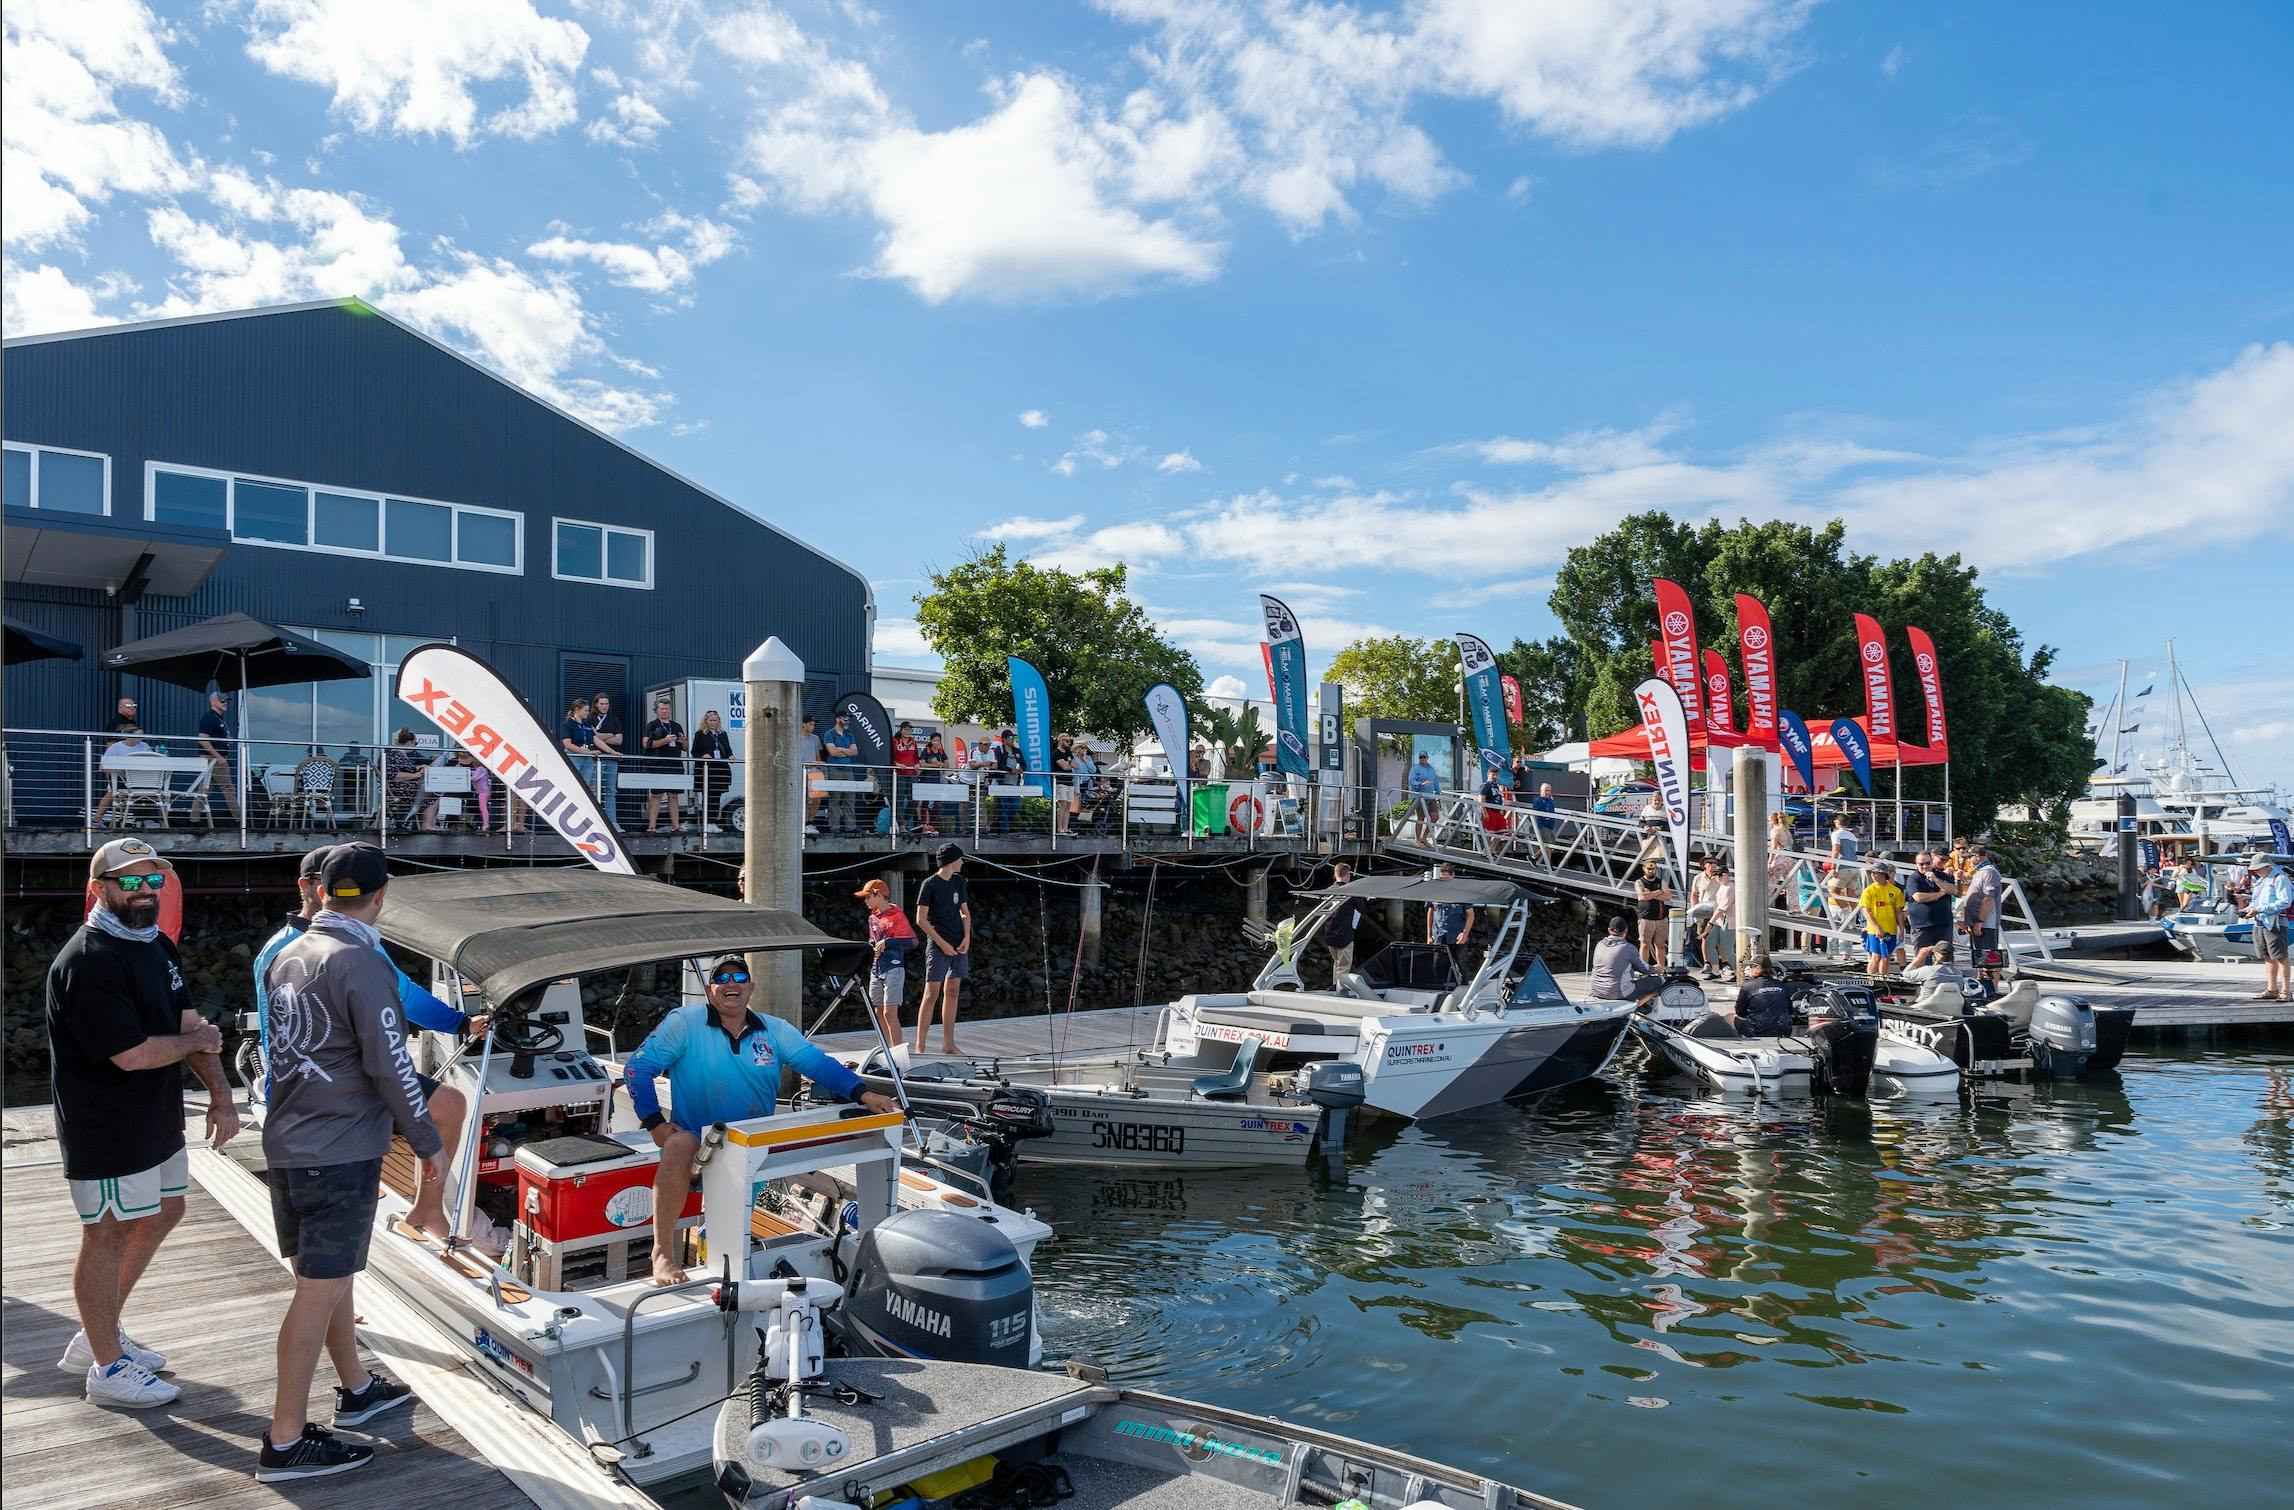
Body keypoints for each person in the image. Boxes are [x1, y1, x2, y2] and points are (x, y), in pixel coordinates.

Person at [257, 843, 436, 1480]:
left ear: (323, 891)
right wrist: (428, 1142)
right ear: (381, 896)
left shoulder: (287, 956)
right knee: (318, 1292)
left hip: (289, 1143)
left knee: (328, 1280)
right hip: (338, 1150)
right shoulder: (361, 961)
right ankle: (285, 1441)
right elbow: (390, 1064)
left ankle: (357, 1391)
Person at [47, 837, 236, 1408]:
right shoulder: (88, 960)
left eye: (154, 880)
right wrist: (194, 1041)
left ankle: (96, 1336)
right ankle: (107, 1370)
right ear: (98, 889)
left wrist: (222, 1097)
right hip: (105, 1125)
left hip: (155, 1116)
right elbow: (131, 1054)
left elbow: (189, 1024)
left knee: (164, 1211)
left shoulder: (157, 945)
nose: (146, 890)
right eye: (131, 881)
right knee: (106, 1232)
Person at [622, 955, 900, 1286]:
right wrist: (655, 1122)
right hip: (696, 1139)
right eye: (722, 978)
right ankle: (662, 1254)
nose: (731, 984)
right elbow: (637, 1068)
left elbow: (819, 1065)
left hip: (749, 1145)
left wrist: (864, 1094)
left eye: (740, 978)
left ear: (751, 987)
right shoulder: (684, 1022)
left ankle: (722, 1265)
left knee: (726, 1234)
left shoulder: (775, 1030)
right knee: (678, 1144)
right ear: (709, 990)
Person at [253, 845, 484, 1239]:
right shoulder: (281, 951)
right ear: (309, 886)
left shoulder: (361, 944)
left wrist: (460, 1023)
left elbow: (404, 993)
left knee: (450, 1104)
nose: (339, 886)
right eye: (325, 877)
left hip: (358, 1075)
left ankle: (427, 1209)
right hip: (320, 1091)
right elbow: (278, 1034)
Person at [913, 843, 971, 1053]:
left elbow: (964, 912)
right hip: (939, 944)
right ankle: (920, 1046)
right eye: (960, 858)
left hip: (959, 942)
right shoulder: (929, 884)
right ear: (951, 861)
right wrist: (943, 944)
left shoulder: (958, 881)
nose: (962, 862)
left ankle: (948, 1044)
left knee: (953, 990)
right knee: (931, 993)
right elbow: (921, 919)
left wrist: (967, 937)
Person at [857, 878, 918, 1044]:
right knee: (879, 1011)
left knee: (889, 1013)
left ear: (878, 895)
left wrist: (888, 943)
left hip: (893, 968)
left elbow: (912, 942)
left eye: (868, 897)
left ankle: (896, 1050)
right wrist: (871, 950)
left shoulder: (897, 915)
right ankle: (885, 1047)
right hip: (876, 969)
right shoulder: (872, 918)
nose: (865, 901)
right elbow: (872, 941)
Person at [2240, 855, 2291, 1002]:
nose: (2256, 871)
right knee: (2267, 957)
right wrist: (2248, 910)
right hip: (2260, 923)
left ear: (2268, 866)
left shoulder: (2280, 878)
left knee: (2280, 956)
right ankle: (2272, 989)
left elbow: (2285, 902)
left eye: (2258, 868)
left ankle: (2286, 991)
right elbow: (2256, 902)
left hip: (2275, 923)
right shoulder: (2261, 879)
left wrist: (2259, 909)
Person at [1588, 916, 1664, 1006]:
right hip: (1620, 992)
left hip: (1597, 990)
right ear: (1626, 931)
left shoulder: (1599, 944)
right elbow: (1644, 969)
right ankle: (1640, 1005)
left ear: (1609, 930)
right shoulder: (1628, 948)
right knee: (1659, 981)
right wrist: (1657, 968)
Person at [640, 698, 688, 833]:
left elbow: (685, 748)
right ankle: (652, 826)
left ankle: (676, 826)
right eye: (662, 709)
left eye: (666, 709)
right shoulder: (652, 725)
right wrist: (664, 741)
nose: (664, 711)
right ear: (657, 710)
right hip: (658, 764)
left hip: (675, 764)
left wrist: (683, 741)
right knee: (657, 795)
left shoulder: (676, 726)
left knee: (673, 795)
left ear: (670, 710)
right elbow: (646, 744)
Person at [194, 687, 241, 824]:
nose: (225, 703)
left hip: (212, 759)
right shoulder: (210, 718)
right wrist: (218, 756)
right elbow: (202, 739)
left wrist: (225, 740)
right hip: (213, 760)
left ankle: (194, 818)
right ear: (213, 702)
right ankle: (241, 820)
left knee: (204, 790)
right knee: (228, 789)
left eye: (226, 701)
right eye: (222, 701)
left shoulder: (217, 719)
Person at [1960, 845, 2005, 989]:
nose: (1968, 860)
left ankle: (1992, 988)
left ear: (1978, 857)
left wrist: (1980, 921)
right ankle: (1984, 987)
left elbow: (1988, 899)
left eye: (1970, 857)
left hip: (1987, 923)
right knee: (1980, 956)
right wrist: (1970, 921)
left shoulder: (1990, 872)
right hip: (1976, 922)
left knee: (1989, 956)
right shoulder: (1979, 872)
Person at [1905, 852, 1957, 968]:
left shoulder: (1941, 876)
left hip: (1942, 924)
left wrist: (1936, 880)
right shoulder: (1913, 878)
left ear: (1932, 862)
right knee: (1922, 960)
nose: (1924, 866)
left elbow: (1954, 890)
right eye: (1921, 864)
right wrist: (1940, 894)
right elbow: (1918, 897)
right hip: (1922, 926)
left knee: (1945, 959)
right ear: (1916, 864)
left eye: (1927, 863)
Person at [1858, 861, 1907, 980]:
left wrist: (1901, 928)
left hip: (1891, 928)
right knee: (1876, 956)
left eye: (1876, 873)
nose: (1873, 875)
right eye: (1872, 873)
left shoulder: (1895, 891)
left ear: (1884, 874)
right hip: (1874, 930)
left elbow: (1899, 912)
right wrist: (1877, 928)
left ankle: (1883, 979)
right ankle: (1870, 979)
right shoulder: (1868, 890)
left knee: (1886, 957)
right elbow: (1866, 912)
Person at [1428, 862, 1476, 980]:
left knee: (1461, 967)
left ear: (1452, 875)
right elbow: (1430, 913)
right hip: (1439, 936)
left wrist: (1464, 934)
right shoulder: (1434, 892)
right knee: (1437, 967)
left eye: (1446, 879)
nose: (1443, 882)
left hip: (1457, 936)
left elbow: (1471, 915)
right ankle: (1437, 987)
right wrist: (1428, 935)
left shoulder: (1462, 893)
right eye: (1441, 879)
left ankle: (1463, 987)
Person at [383, 728, 437, 831]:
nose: (415, 746)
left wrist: (418, 767)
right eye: (415, 743)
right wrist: (416, 775)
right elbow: (394, 775)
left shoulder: (400, 755)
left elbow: (403, 768)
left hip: (405, 788)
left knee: (434, 790)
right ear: (409, 742)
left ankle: (429, 824)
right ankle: (427, 824)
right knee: (435, 792)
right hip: (400, 790)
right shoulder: (394, 755)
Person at [1731, 954, 1794, 1036]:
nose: (1750, 969)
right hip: (1783, 1031)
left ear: (1756, 968)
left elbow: (1740, 1012)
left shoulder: (1748, 987)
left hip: (1756, 1031)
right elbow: (1790, 1011)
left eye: (1751, 966)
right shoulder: (1782, 985)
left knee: (1730, 1017)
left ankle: (1741, 1041)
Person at [692, 710, 733, 834]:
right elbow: (694, 752)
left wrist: (730, 756)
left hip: (720, 770)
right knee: (707, 797)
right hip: (706, 770)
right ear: (705, 721)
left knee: (716, 797)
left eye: (715, 720)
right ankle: (706, 823)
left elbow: (728, 749)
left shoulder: (722, 734)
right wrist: (703, 756)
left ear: (718, 721)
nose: (713, 723)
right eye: (710, 720)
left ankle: (713, 822)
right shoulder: (700, 734)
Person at [819, 712, 860, 835]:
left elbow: (855, 752)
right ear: (838, 719)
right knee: (835, 799)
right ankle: (834, 827)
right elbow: (833, 752)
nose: (847, 721)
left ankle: (850, 827)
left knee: (850, 799)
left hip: (848, 769)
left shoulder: (849, 735)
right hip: (834, 769)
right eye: (845, 719)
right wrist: (846, 752)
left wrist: (841, 749)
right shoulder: (829, 733)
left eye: (848, 719)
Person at [1323, 861, 1364, 985]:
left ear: (1335, 875)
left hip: (1329, 934)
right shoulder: (1351, 892)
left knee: (1337, 963)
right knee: (1344, 967)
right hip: (1344, 935)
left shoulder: (1327, 891)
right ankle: (1339, 991)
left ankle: (1334, 986)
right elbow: (1362, 909)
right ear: (1347, 875)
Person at [590, 692, 626, 831]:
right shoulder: (590, 718)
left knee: (610, 791)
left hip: (611, 759)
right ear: (596, 704)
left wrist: (598, 736)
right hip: (594, 759)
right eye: (602, 704)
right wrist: (609, 735)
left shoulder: (614, 720)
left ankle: (612, 822)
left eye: (606, 704)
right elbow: (591, 737)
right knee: (593, 790)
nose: (604, 706)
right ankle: (594, 822)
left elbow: (619, 740)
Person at [560, 696, 599, 807]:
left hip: (587, 759)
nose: (588, 713)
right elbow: (567, 744)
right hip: (574, 757)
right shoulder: (568, 723)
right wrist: (588, 752)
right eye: (585, 710)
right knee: (573, 785)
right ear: (577, 710)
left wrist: (612, 752)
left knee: (587, 787)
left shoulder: (587, 725)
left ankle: (583, 809)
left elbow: (596, 740)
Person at [1635, 860, 1672, 969]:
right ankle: (1644, 968)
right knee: (1644, 944)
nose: (1651, 871)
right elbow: (1643, 896)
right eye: (1649, 869)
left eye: (1653, 869)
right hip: (1646, 918)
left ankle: (1661, 968)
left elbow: (1668, 896)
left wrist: (1650, 894)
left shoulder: (1661, 882)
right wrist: (1659, 891)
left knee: (1660, 944)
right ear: (1644, 869)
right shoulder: (1639, 882)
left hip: (1661, 918)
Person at [915, 730, 949, 835]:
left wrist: (938, 763)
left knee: (938, 805)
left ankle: (931, 824)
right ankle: (925, 825)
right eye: (934, 741)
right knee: (925, 803)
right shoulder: (926, 751)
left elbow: (947, 765)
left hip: (937, 781)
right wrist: (935, 765)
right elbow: (923, 764)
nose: (936, 742)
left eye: (938, 741)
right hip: (926, 779)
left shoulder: (941, 752)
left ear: (940, 742)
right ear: (931, 741)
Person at [891, 721, 920, 836]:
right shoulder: (894, 741)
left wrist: (917, 764)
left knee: (915, 800)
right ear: (901, 730)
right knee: (899, 800)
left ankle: (905, 820)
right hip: (899, 774)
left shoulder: (914, 742)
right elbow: (890, 757)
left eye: (909, 730)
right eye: (906, 729)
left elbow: (916, 757)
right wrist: (897, 764)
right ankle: (902, 825)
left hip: (912, 774)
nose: (908, 732)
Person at [799, 715, 825, 834]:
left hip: (815, 772)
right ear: (803, 724)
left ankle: (810, 822)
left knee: (817, 799)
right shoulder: (795, 738)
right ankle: (804, 823)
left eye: (813, 724)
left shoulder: (815, 738)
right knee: (804, 798)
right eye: (810, 724)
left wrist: (819, 764)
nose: (813, 727)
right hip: (802, 771)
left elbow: (818, 756)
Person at [1407, 753, 1440, 835]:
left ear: (1427, 758)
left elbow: (1435, 782)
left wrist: (1438, 793)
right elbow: (1411, 781)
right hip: (1420, 797)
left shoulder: (1431, 768)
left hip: (1431, 796)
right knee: (1421, 818)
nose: (1422, 758)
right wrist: (1421, 784)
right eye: (1420, 757)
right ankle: (1418, 839)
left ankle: (1424, 837)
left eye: (1424, 757)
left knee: (1435, 817)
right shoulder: (1415, 769)